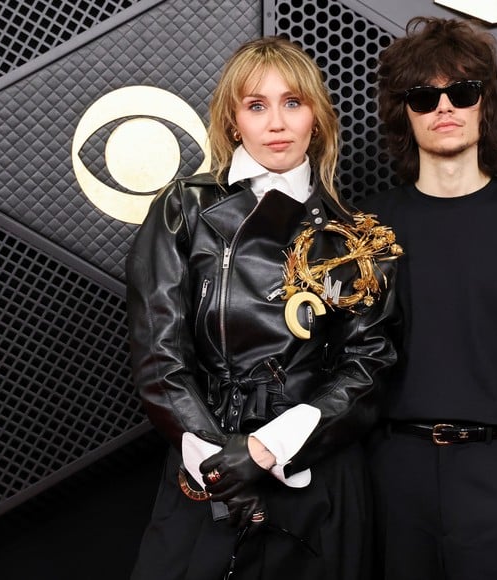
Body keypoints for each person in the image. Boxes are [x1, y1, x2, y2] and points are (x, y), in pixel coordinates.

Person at [126, 36, 400, 580]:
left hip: (314, 472)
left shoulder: (358, 239)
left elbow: (371, 365)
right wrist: (221, 459)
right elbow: (159, 354)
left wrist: (267, 448)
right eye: (257, 105)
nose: (276, 122)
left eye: (292, 103)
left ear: (316, 120)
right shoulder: (184, 208)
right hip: (206, 465)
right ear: (233, 122)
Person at [360, 17, 497, 580]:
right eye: (423, 95)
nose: (444, 107)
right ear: (403, 112)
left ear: (484, 103)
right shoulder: (368, 228)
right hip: (395, 469)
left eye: (461, 91)